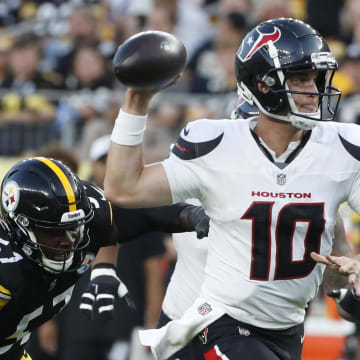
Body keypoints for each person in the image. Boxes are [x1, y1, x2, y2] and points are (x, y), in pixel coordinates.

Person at [104, 17, 360, 360]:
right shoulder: (217, 145)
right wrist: (137, 102)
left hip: (286, 330)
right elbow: (123, 189)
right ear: (263, 85)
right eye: (300, 79)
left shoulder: (343, 148)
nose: (314, 91)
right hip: (219, 321)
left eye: (315, 79)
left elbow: (341, 269)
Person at [0, 157, 209, 360]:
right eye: (52, 232)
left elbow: (139, 218)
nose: (67, 241)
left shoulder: (88, 214)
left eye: (72, 229)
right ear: (20, 226)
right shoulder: (6, 268)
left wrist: (192, 215)